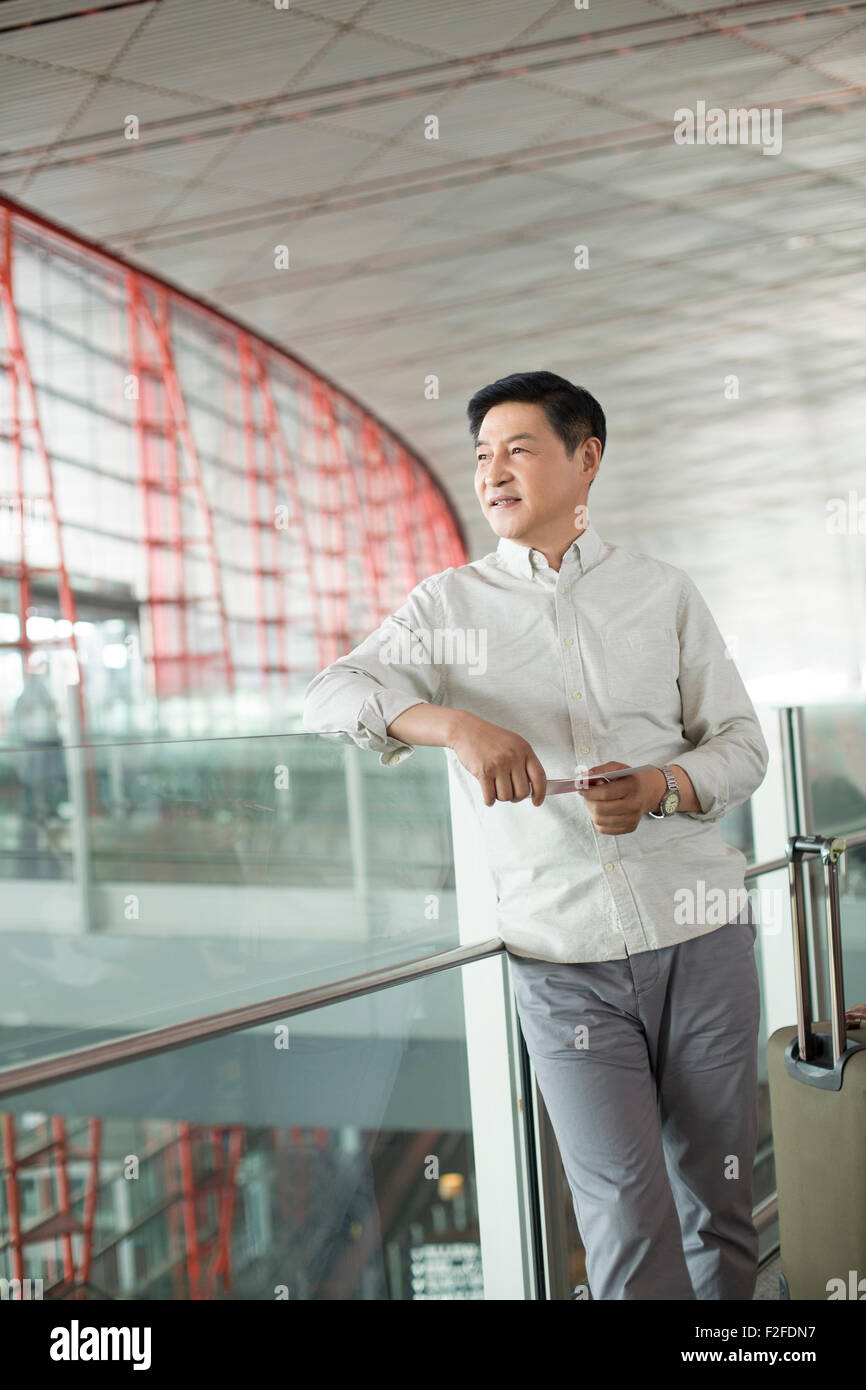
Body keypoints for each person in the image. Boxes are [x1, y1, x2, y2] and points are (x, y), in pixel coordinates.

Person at [303, 370, 768, 1300]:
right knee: (624, 1219)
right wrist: (453, 726)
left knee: (718, 1205)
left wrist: (662, 786)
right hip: (561, 960)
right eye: (481, 455)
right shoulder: (448, 607)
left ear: (584, 458)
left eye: (518, 449)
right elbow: (329, 696)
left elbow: (744, 747)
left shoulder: (661, 593)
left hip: (700, 932)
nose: (493, 472)